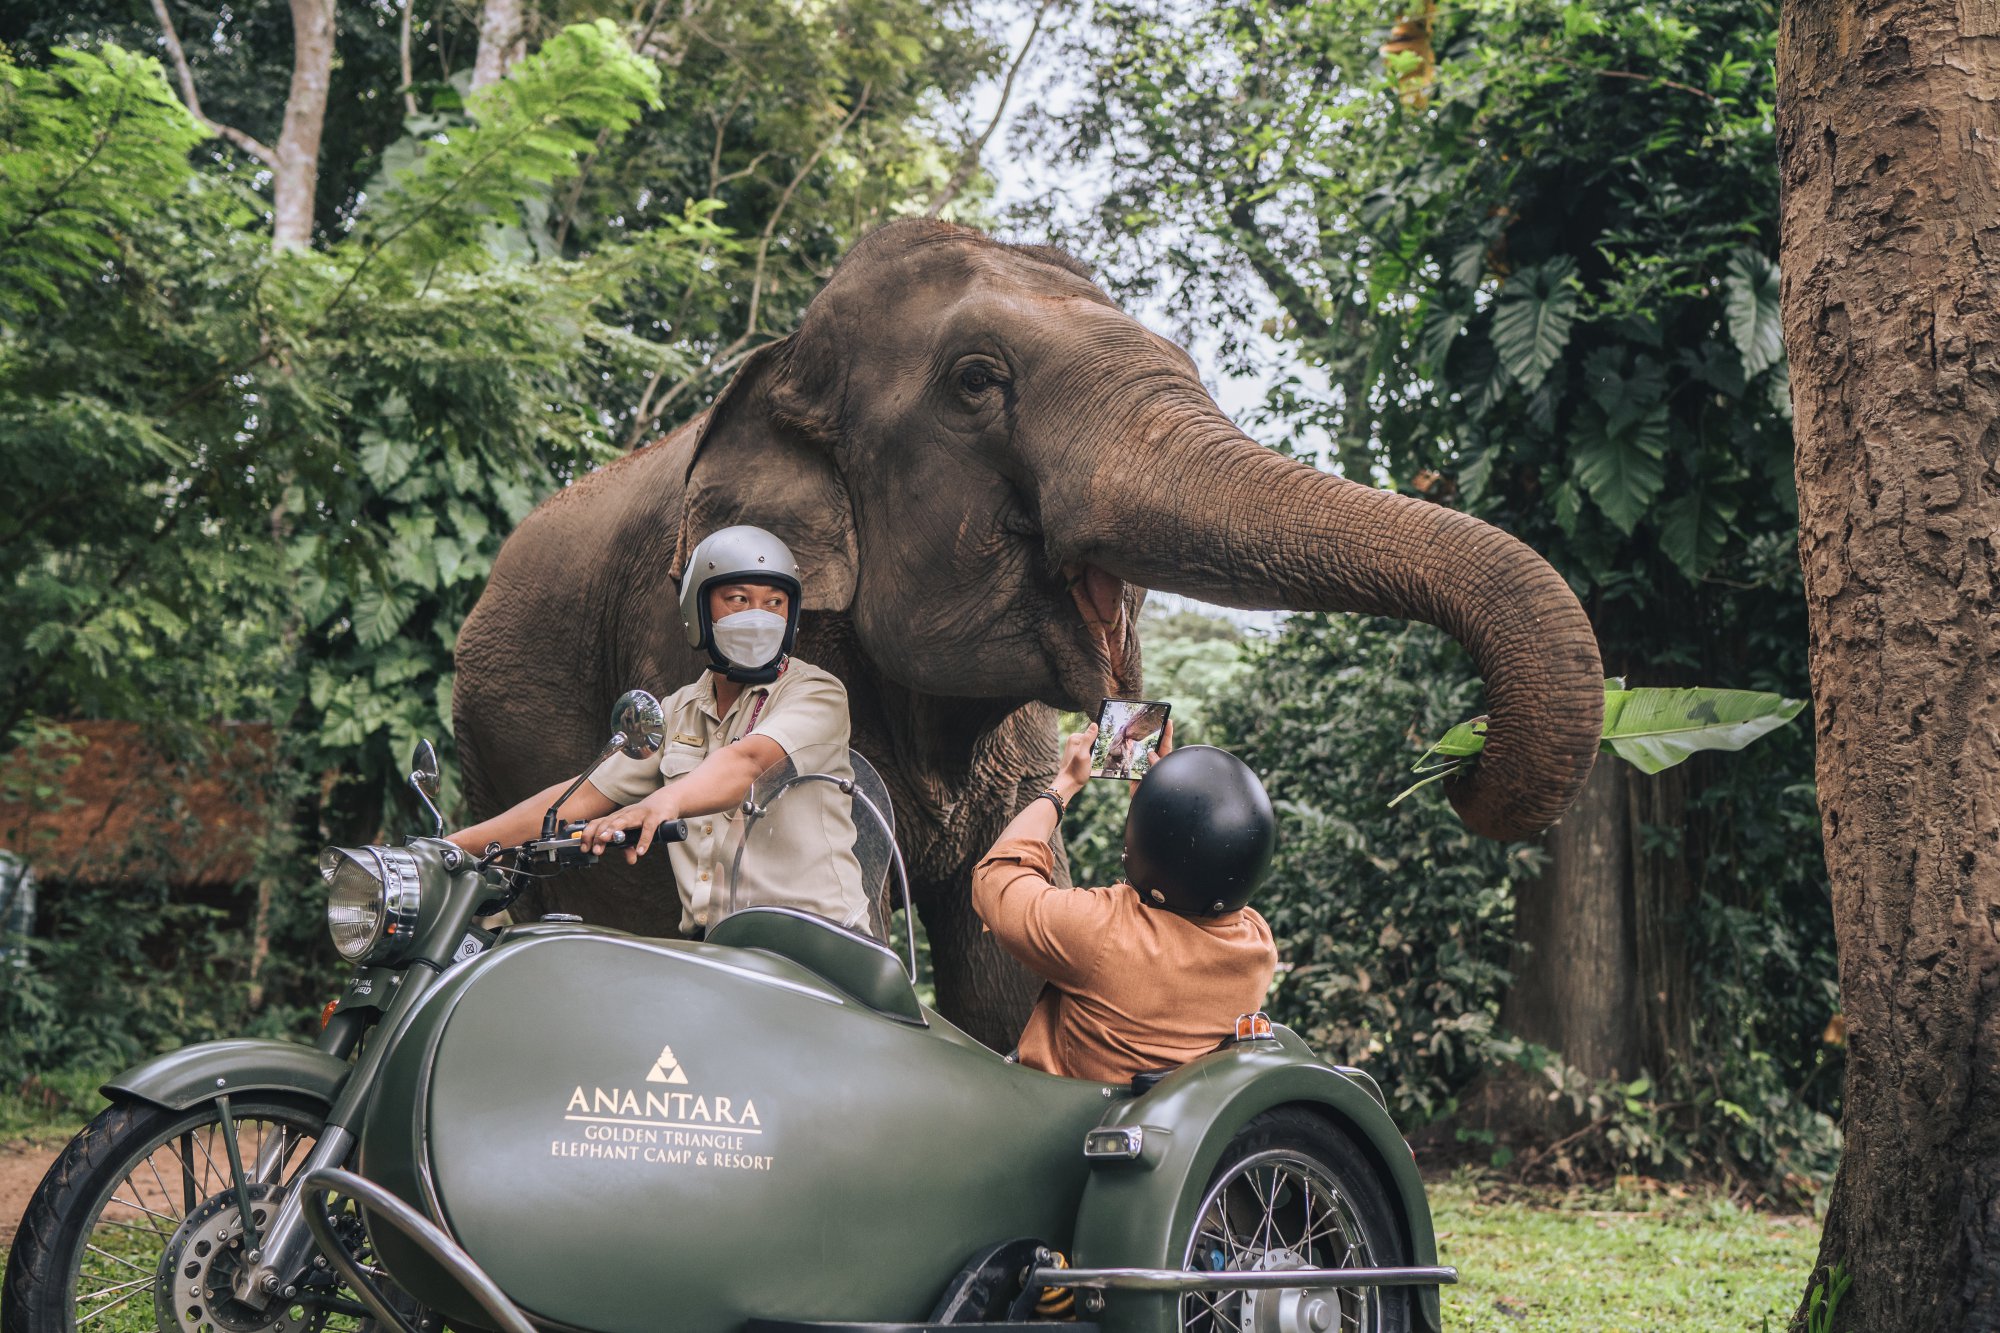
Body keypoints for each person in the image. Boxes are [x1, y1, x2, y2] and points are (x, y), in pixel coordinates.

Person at [449, 525, 867, 935]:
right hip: (723, 951)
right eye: (739, 599)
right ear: (698, 611)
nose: (759, 617)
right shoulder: (679, 711)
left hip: (823, 945)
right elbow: (581, 796)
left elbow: (750, 763)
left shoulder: (816, 694)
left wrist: (662, 803)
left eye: (774, 602)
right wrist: (450, 849)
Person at [970, 723, 1279, 1082]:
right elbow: (1201, 870)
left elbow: (997, 876)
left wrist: (1064, 783)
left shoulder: (1101, 933)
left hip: (1068, 1120)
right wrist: (1157, 804)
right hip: (1156, 1121)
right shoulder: (1256, 947)